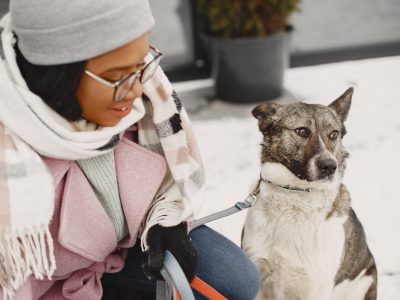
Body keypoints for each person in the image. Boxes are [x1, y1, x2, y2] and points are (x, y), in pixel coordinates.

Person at [0, 0, 259, 299]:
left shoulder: (147, 102)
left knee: (234, 278)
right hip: (43, 285)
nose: (136, 90)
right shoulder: (12, 163)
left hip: (125, 249)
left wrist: (164, 223)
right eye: (117, 76)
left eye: (141, 66)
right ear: (57, 72)